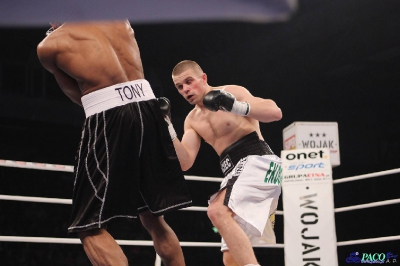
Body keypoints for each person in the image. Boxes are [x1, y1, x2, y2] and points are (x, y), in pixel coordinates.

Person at [37, 20, 192, 266]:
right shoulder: (117, 18)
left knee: (89, 227)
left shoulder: (49, 45)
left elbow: (80, 98)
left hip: (109, 114)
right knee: (154, 218)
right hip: (149, 109)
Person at [165, 60, 283, 266]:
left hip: (258, 160)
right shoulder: (191, 120)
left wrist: (236, 106)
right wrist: (167, 126)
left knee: (216, 211)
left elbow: (275, 113)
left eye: (189, 82)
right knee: (230, 258)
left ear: (203, 78)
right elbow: (185, 162)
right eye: (179, 87)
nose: (185, 89)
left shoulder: (230, 92)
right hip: (235, 173)